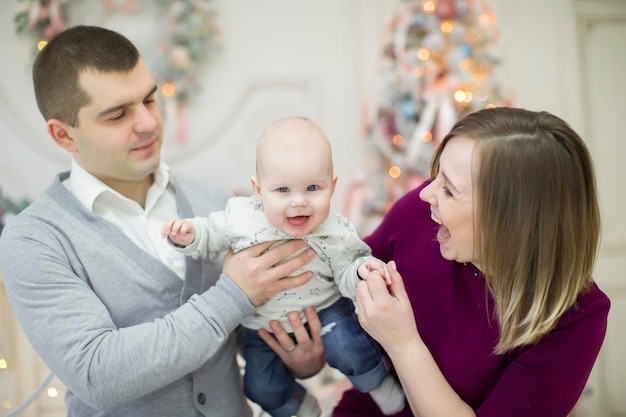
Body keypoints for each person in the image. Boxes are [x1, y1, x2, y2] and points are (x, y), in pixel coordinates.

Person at [0, 25, 327, 417]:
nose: (148, 124)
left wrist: (300, 359)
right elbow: (98, 375)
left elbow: (250, 334)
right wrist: (233, 294)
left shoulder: (214, 200)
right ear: (64, 136)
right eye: (118, 114)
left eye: (150, 100)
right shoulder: (33, 240)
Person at [333, 107, 610, 417]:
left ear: (510, 222)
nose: (426, 193)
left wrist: (403, 343)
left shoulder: (575, 317)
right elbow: (334, 287)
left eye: (449, 190)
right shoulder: (419, 214)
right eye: (436, 176)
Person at [161, 116, 406, 417]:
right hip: (262, 325)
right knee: (258, 385)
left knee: (350, 346)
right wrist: (190, 235)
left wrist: (362, 271)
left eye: (313, 187)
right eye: (283, 191)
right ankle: (299, 406)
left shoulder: (335, 230)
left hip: (325, 307)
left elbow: (348, 268)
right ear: (258, 190)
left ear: (333, 186)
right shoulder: (242, 217)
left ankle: (377, 383)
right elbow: (212, 233)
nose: (299, 202)